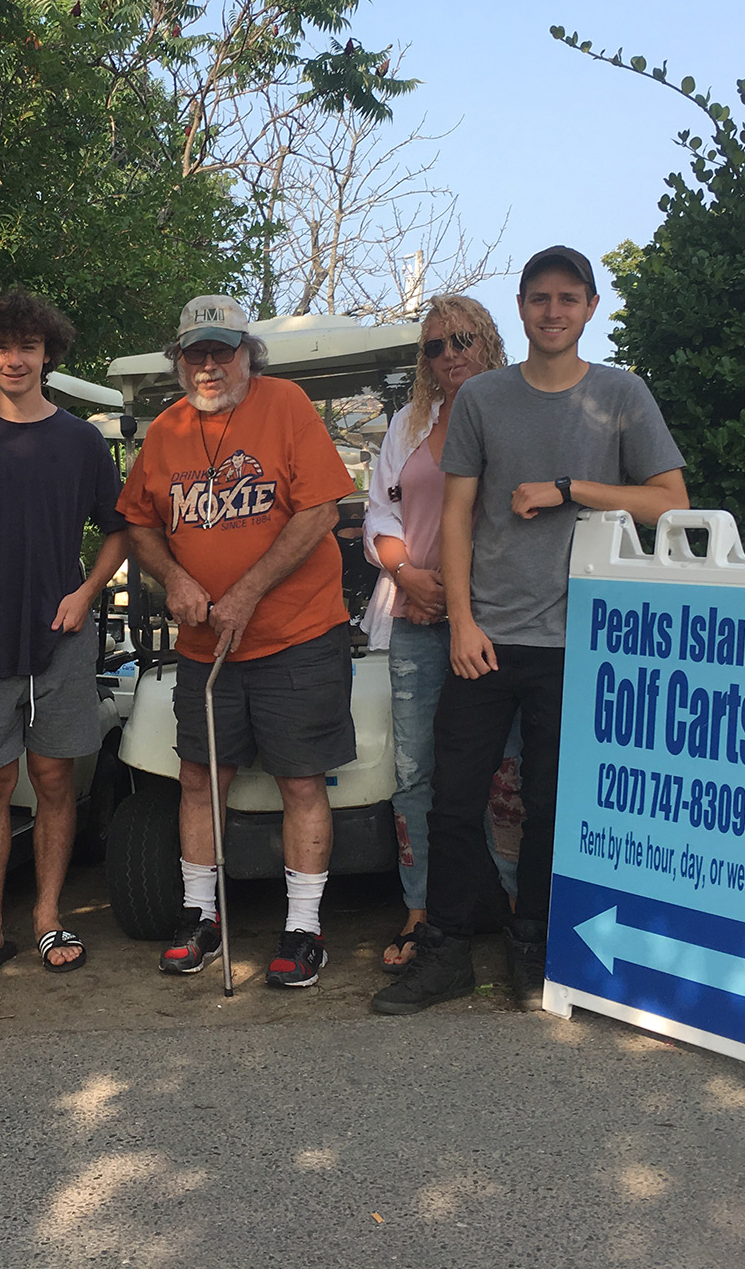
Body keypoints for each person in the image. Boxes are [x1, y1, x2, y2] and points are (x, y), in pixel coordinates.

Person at [373, 246, 689, 1016]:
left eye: (568, 299)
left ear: (589, 307)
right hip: (488, 637)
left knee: (551, 802)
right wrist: (462, 623)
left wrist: (571, 489)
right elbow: (455, 515)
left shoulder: (622, 395)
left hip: (582, 640)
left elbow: (671, 502)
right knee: (453, 799)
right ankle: (443, 950)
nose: (553, 311)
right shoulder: (484, 397)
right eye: (540, 298)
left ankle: (533, 945)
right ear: (519, 308)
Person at [117, 295, 359, 989]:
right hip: (204, 645)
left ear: (247, 353)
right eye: (196, 353)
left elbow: (319, 510)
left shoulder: (285, 405)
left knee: (302, 780)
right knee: (199, 779)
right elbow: (140, 526)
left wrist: (248, 591)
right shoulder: (163, 431)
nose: (210, 365)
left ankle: (303, 928)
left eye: (223, 351)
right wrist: (175, 580)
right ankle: (201, 916)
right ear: (180, 360)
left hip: (298, 636)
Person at [0, 291, 129, 982]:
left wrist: (86, 593)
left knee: (53, 778)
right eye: (2, 346)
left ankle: (45, 917)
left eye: (28, 346)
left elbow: (120, 530)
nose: (15, 358)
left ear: (48, 354)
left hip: (61, 633)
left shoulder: (81, 440)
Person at [362, 294, 519, 971]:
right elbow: (379, 517)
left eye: (462, 339)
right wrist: (410, 576)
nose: (450, 354)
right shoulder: (408, 424)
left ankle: (518, 914)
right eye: (435, 346)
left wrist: (458, 597)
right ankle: (421, 910)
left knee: (505, 773)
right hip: (417, 618)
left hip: (496, 620)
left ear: (486, 340)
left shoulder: (517, 415)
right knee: (415, 773)